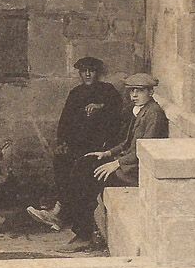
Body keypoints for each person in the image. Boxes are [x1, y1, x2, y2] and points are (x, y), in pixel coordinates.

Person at [54, 72, 169, 249]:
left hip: (135, 170)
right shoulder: (140, 110)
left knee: (88, 176)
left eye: (139, 91)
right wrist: (107, 153)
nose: (134, 95)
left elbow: (145, 150)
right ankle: (77, 223)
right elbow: (127, 143)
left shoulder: (154, 114)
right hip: (127, 163)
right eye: (131, 91)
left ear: (151, 92)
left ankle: (84, 234)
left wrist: (116, 163)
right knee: (84, 163)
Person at [26, 56, 123, 235]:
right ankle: (60, 211)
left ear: (97, 73)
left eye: (91, 71)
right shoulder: (76, 93)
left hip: (100, 146)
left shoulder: (107, 90)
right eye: (84, 71)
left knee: (80, 168)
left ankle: (59, 213)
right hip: (77, 144)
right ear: (80, 73)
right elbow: (65, 121)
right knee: (61, 161)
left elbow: (118, 113)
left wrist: (100, 106)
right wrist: (62, 142)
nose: (88, 74)